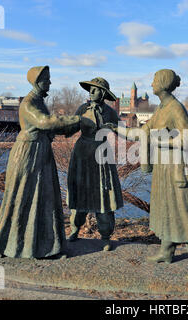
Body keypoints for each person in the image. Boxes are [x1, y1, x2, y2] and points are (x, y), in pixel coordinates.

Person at [104, 69, 188, 280]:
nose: (151, 83)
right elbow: (142, 133)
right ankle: (166, 252)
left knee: (185, 214)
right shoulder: (162, 108)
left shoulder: (175, 108)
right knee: (166, 210)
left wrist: (159, 141)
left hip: (178, 169)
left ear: (162, 83)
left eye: (154, 80)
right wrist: (117, 129)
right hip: (165, 169)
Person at [0, 66, 94, 259]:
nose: (50, 83)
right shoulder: (29, 104)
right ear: (38, 82)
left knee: (44, 198)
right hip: (28, 154)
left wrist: (73, 125)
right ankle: (10, 245)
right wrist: (77, 119)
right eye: (47, 80)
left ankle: (43, 246)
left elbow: (51, 128)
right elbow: (46, 122)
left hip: (41, 152)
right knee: (22, 197)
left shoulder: (38, 101)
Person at [66, 77, 123, 251]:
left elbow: (122, 131)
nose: (91, 92)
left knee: (103, 195)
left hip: (102, 155)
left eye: (96, 89)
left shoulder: (111, 112)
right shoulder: (82, 109)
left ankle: (105, 236)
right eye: (90, 88)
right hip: (82, 154)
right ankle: (75, 229)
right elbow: (69, 129)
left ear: (104, 93)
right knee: (80, 192)